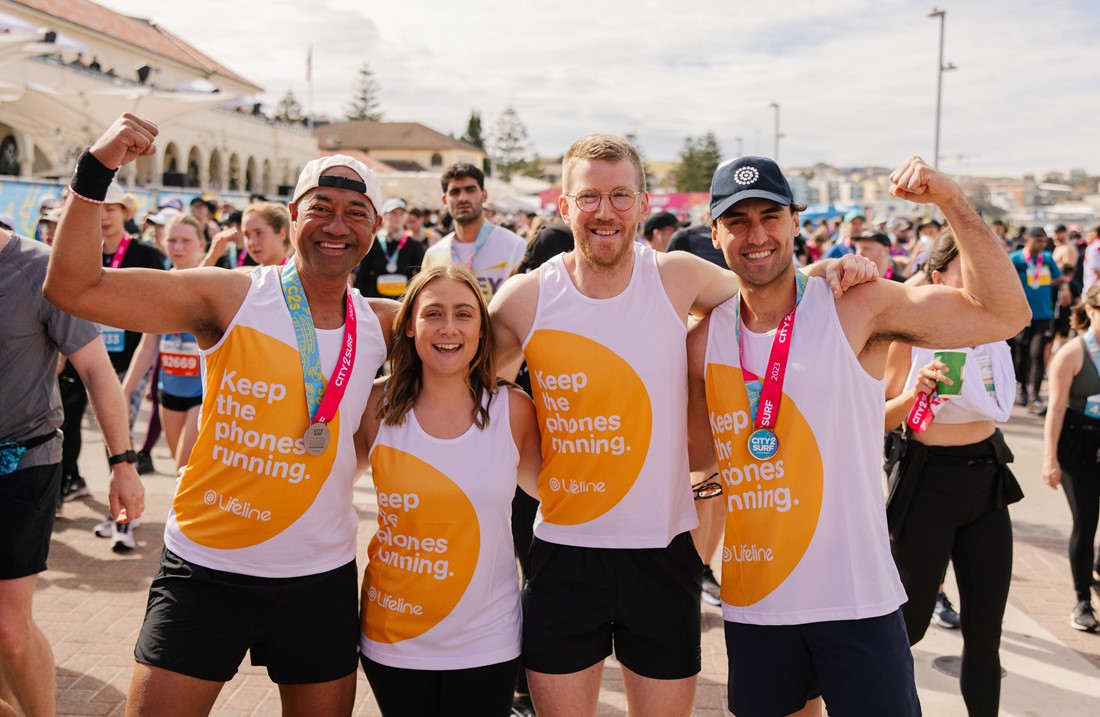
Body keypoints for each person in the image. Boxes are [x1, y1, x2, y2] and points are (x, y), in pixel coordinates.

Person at [488, 135, 874, 717]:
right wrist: (532, 472)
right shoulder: (526, 299)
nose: (605, 211)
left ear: (643, 205)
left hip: (663, 554)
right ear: (564, 208)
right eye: (589, 197)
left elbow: (765, 296)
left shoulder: (677, 277)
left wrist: (832, 267)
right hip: (565, 552)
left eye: (621, 195)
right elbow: (469, 385)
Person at [44, 113, 397, 716]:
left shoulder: (386, 323)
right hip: (208, 567)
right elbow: (75, 289)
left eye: (355, 213)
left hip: (319, 575)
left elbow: (491, 344)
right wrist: (95, 170)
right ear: (293, 215)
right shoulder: (231, 295)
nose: (337, 225)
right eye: (321, 207)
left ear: (375, 229)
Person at [686, 155, 1029, 717]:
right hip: (757, 602)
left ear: (796, 220)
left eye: (770, 215)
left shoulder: (854, 305)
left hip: (855, 599)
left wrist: (950, 201)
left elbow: (1002, 314)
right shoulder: (702, 343)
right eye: (737, 220)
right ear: (716, 231)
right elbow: (696, 460)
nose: (756, 234)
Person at [354, 264, 540, 715]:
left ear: (482, 331)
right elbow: (322, 484)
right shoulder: (374, 406)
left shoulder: (512, 410)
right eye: (433, 314)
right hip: (393, 632)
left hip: (487, 638)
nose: (449, 328)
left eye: (464, 314)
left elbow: (560, 499)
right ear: (411, 327)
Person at [1, 229, 143, 716]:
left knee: (8, 629)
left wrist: (122, 463)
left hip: (23, 463)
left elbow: (98, 371)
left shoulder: (40, 268)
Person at [883, 231, 1021, 717]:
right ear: (939, 276)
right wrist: (914, 391)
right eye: (969, 270)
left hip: (986, 480)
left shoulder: (998, 328)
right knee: (909, 625)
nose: (982, 280)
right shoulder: (909, 331)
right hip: (927, 484)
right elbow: (879, 417)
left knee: (985, 632)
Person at [121, 215, 210, 472]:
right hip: (169, 391)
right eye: (172, 240)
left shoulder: (213, 282)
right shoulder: (159, 285)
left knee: (186, 466)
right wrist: (124, 392)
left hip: (203, 394)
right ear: (162, 243)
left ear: (201, 244)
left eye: (186, 241)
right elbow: (148, 346)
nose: (178, 247)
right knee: (180, 469)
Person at [1041, 281, 1100, 633]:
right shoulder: (1073, 353)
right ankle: (1082, 600)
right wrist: (1050, 458)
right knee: (1086, 522)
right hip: (1078, 447)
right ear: (1091, 311)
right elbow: (1057, 409)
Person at [423, 163, 526, 303]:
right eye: (455, 192)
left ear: (484, 195)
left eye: (470, 190)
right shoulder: (433, 254)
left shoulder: (515, 247)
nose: (462, 198)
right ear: (444, 200)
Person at [1010, 227, 1071, 414]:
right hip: (1020, 315)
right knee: (1020, 355)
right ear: (1028, 239)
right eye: (1038, 240)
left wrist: (1065, 288)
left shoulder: (1046, 258)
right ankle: (1021, 388)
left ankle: (1034, 396)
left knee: (1037, 354)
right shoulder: (1016, 259)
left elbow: (1059, 278)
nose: (1042, 244)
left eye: (1044, 241)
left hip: (1043, 315)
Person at [354, 197, 426, 299]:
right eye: (393, 213)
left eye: (401, 214)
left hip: (403, 304)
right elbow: (363, 276)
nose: (398, 217)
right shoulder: (372, 243)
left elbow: (421, 276)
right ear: (383, 216)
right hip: (376, 303)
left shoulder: (415, 245)